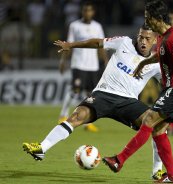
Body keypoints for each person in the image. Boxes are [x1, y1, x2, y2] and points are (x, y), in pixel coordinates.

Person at [23, 25, 165, 180]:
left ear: (155, 40)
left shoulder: (156, 64)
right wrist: (71, 45)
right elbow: (98, 43)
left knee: (157, 126)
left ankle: (156, 172)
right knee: (77, 116)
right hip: (103, 94)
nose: (143, 41)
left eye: (147, 38)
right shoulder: (123, 42)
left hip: (128, 101)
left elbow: (167, 82)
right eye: (140, 37)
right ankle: (42, 148)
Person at [102, 0, 173, 183]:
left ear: (157, 18)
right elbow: (160, 55)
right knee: (159, 131)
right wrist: (144, 63)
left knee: (149, 120)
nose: (146, 20)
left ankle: (119, 160)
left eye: (148, 17)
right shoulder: (162, 36)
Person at [58, 1, 108, 132]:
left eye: (89, 10)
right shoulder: (74, 26)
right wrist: (63, 61)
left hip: (93, 66)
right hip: (78, 64)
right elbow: (68, 45)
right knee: (75, 90)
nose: (87, 13)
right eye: (85, 10)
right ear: (82, 12)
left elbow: (101, 45)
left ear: (93, 12)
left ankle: (86, 123)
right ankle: (63, 115)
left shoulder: (97, 26)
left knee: (89, 94)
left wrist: (106, 61)